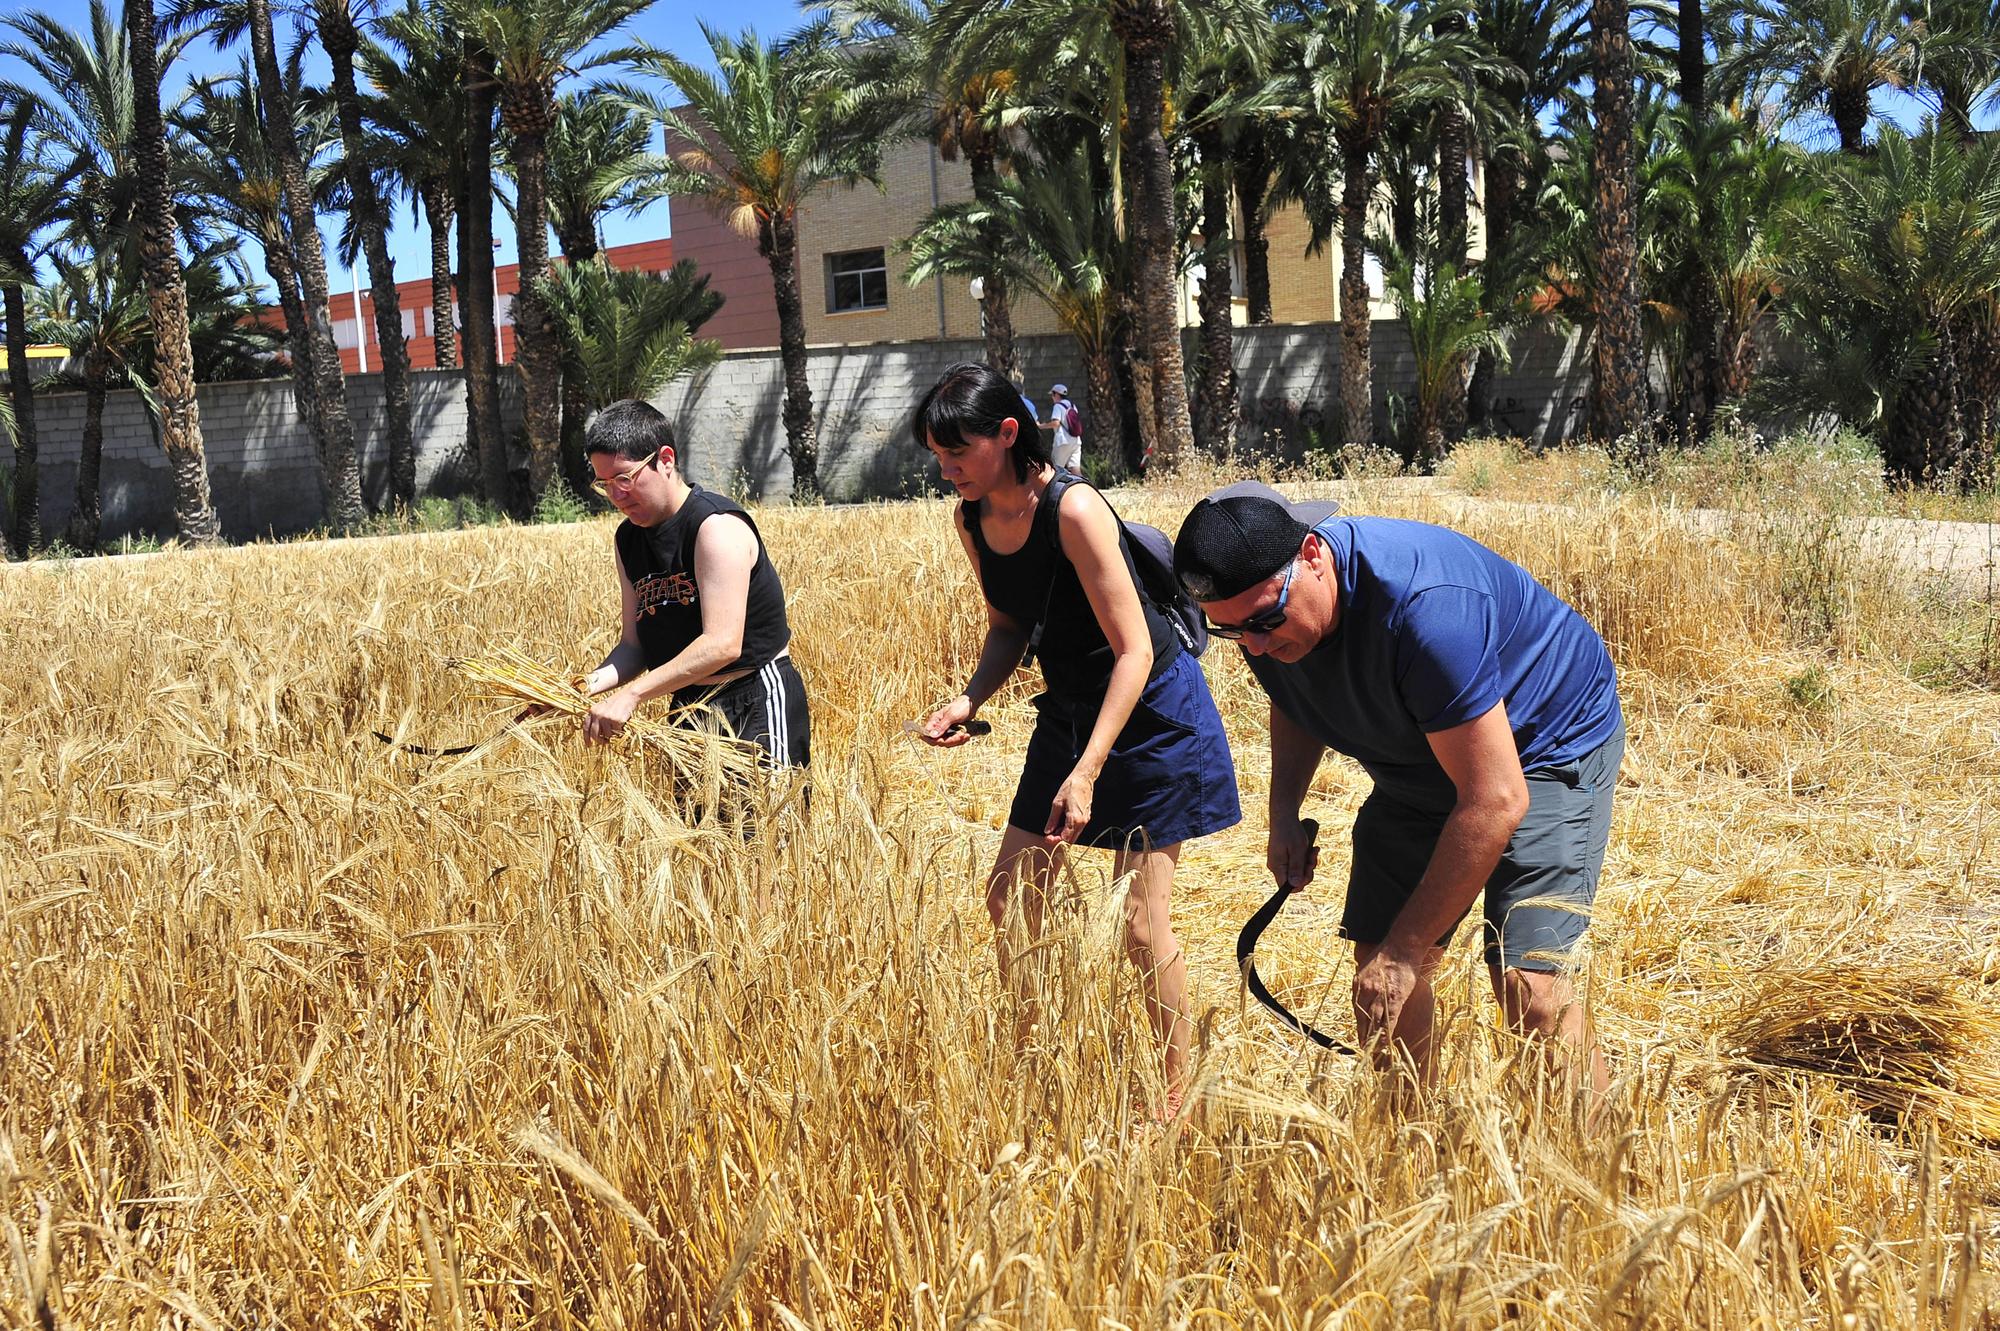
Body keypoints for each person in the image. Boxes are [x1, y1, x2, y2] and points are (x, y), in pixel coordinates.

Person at [1173, 485, 1624, 1100]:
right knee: (1375, 968)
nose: (1253, 646)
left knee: (1528, 985)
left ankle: (1595, 1170)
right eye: (1230, 633)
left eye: (1262, 623)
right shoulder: (1264, 615)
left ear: (1312, 554)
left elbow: (1495, 797)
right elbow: (1298, 698)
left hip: (1542, 742)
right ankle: (1409, 1155)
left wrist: (1409, 951)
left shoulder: (1426, 610)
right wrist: (1283, 813)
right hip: (1420, 754)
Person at [913, 363, 1239, 1119]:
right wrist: (967, 698)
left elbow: (1134, 650)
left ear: (1006, 434)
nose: (948, 469)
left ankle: (1172, 1096)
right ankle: (1038, 1058)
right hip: (1067, 709)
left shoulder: (1074, 508)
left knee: (1136, 922)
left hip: (1149, 713)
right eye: (937, 455)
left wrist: (1087, 769)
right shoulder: (971, 519)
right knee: (1011, 893)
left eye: (958, 451)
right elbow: (1007, 626)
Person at [573, 400, 810, 774]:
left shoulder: (714, 528)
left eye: (624, 478)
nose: (616, 496)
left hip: (754, 698)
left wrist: (632, 695)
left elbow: (722, 644)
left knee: (768, 827)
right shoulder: (628, 541)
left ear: (665, 459)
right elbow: (634, 646)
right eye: (604, 485)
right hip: (689, 705)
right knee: (698, 831)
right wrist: (583, 687)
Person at [1047, 384, 1082, 472]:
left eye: (1052, 395)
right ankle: (1081, 485)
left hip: (1062, 441)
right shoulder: (1073, 406)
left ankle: (1056, 486)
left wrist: (1041, 426)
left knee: (1055, 469)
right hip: (1076, 441)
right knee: (1075, 469)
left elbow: (1056, 423)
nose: (1052, 397)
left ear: (1057, 395)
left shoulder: (1057, 406)